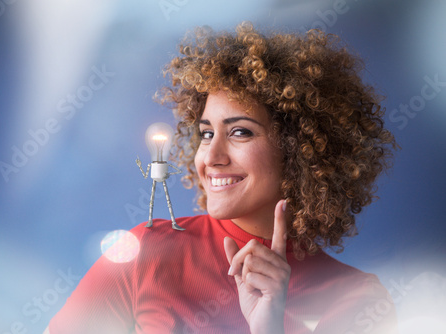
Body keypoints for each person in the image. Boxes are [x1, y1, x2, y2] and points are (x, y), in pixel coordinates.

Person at [45, 22, 398, 333]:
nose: (210, 158)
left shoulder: (358, 299)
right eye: (207, 133)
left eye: (241, 133)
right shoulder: (146, 253)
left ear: (301, 150)